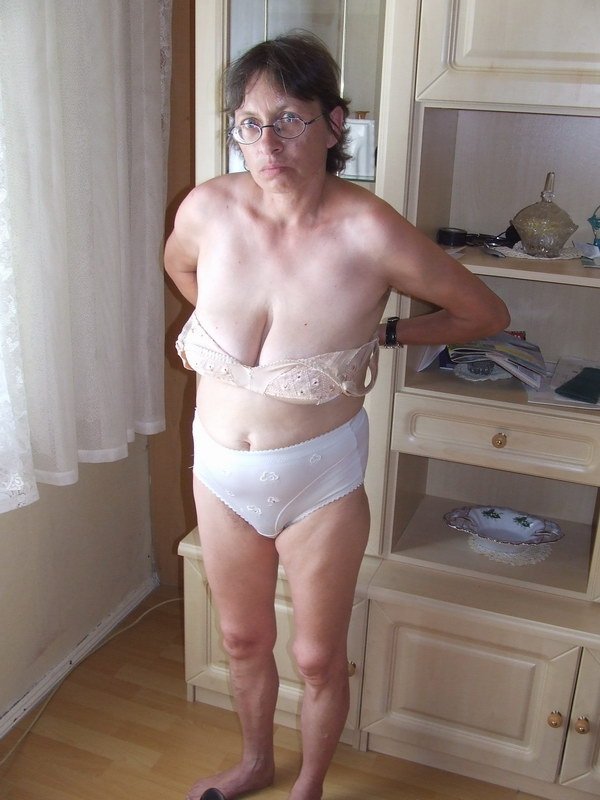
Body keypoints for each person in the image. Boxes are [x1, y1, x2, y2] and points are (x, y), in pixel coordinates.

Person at [164, 31, 509, 800]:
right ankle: (255, 763)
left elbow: (484, 312)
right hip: (218, 471)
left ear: (334, 124)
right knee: (242, 638)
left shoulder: (370, 231)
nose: (268, 143)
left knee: (318, 656)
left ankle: (309, 787)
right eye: (250, 123)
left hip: (316, 480)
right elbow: (177, 264)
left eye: (290, 119)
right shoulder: (208, 209)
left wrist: (386, 335)